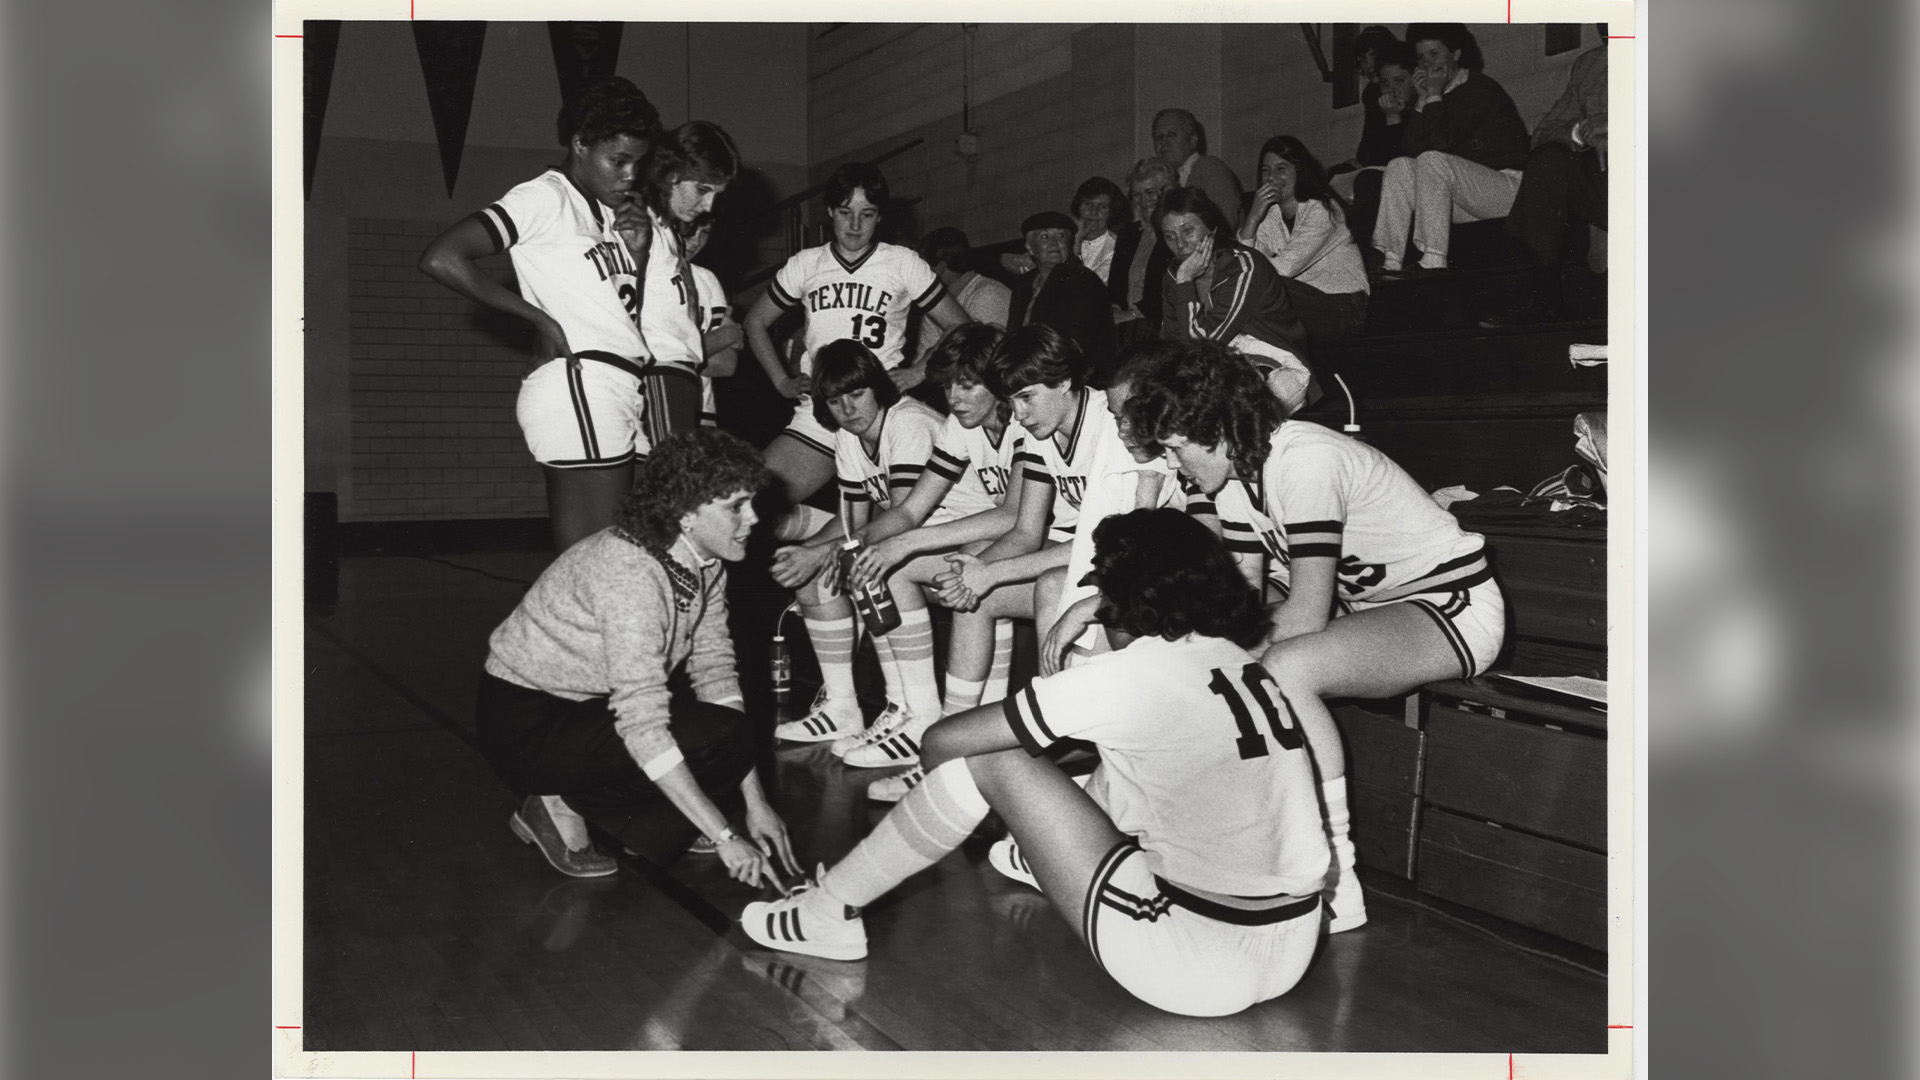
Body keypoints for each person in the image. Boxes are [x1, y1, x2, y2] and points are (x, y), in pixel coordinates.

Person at [742, 508, 1329, 1019]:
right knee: (1109, 766)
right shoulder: (1235, 660)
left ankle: (827, 912)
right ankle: (1035, 852)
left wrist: (1025, 791)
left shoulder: (1126, 677)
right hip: (1295, 945)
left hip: (1192, 962)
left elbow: (943, 744)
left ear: (1118, 598)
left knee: (991, 765)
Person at [1116, 341, 1508, 932]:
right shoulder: (1235, 476)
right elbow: (1240, 603)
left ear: (1217, 429)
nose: (1175, 467)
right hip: (1372, 612)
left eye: (1176, 448)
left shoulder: (1303, 458)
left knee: (1287, 667)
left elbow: (1305, 614)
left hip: (1453, 607)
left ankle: (1337, 879)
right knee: (1203, 651)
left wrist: (1220, 668)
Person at [473, 428, 800, 886]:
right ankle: (558, 801)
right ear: (686, 514)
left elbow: (715, 672)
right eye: (735, 507)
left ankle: (655, 813)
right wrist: (726, 835)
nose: (752, 519)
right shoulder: (629, 574)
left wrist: (756, 805)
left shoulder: (705, 563)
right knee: (710, 736)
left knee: (731, 726)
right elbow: (641, 721)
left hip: (590, 709)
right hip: (530, 722)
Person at [417, 76, 661, 552]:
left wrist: (640, 256)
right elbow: (442, 257)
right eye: (619, 161)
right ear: (580, 145)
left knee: (617, 554)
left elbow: (622, 315)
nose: (631, 175)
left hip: (619, 385)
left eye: (638, 163)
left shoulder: (612, 217)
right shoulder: (544, 197)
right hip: (582, 380)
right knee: (602, 558)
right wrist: (537, 318)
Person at [821, 325, 1034, 782]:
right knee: (886, 562)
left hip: (1045, 550)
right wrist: (858, 546)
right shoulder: (961, 426)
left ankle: (960, 742)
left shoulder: (1025, 422)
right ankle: (918, 717)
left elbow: (1013, 518)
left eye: (966, 384)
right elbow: (912, 509)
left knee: (970, 559)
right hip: (1005, 547)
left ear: (998, 381)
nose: (953, 397)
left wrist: (908, 540)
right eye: (947, 385)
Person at [744, 162, 975, 510]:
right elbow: (755, 322)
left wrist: (919, 372)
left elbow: (960, 325)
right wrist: (780, 381)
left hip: (880, 408)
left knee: (897, 519)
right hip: (824, 408)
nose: (854, 225)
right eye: (845, 212)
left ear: (880, 217)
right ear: (829, 213)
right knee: (750, 503)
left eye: (866, 214)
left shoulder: (902, 262)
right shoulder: (806, 264)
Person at [767, 340, 952, 751]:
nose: (848, 409)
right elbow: (853, 521)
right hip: (913, 542)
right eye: (835, 401)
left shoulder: (907, 423)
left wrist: (824, 550)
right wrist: (811, 555)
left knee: (869, 564)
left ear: (878, 387)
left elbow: (904, 519)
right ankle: (843, 708)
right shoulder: (849, 436)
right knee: (817, 571)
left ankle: (907, 708)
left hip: (954, 538)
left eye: (857, 394)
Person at [1371, 23, 1530, 273]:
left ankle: (1434, 257)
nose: (1426, 64)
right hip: (1466, 194)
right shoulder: (1434, 95)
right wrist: (1422, 101)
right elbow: (1410, 152)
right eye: (1421, 57)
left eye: (1434, 54)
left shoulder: (1480, 89)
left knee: (1432, 160)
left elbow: (1441, 145)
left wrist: (1432, 95)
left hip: (1508, 190)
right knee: (1399, 166)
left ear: (1455, 54)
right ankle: (1391, 259)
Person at [1482, 34, 1609, 327]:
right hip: (1611, 190)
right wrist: (1582, 130)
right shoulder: (1592, 64)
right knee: (1548, 160)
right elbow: (1543, 133)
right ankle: (1545, 299)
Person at [626, 121, 741, 444]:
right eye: (702, 190)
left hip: (681, 374)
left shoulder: (668, 235)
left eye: (715, 195)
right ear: (672, 173)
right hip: (657, 370)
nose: (708, 206)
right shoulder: (637, 222)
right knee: (672, 488)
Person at [1156, 186, 1314, 414]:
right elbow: (1173, 341)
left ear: (1212, 228)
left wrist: (1185, 282)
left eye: (1188, 231)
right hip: (1214, 362)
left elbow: (1206, 343)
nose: (1180, 245)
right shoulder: (1174, 275)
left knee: (1232, 404)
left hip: (1277, 363)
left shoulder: (1244, 266)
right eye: (1170, 236)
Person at [1239, 136, 1371, 343]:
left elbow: (1282, 270)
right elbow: (1242, 263)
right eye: (1265, 170)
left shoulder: (1323, 210)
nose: (1271, 178)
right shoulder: (1270, 214)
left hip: (1344, 308)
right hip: (1304, 305)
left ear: (1299, 172)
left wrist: (1251, 267)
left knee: (1264, 285)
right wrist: (1252, 218)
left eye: (1281, 168)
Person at [1007, 211, 1119, 388]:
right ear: (1029, 247)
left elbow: (1078, 344)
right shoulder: (1023, 288)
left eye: (1061, 235)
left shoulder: (1082, 281)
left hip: (1070, 381)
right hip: (1028, 377)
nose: (1054, 242)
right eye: (1045, 236)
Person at [1329, 28, 1410, 259]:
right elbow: (1370, 138)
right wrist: (1358, 161)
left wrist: (1393, 117)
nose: (1367, 65)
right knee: (1335, 174)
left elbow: (1402, 148)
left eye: (1371, 56)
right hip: (1378, 160)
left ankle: (1368, 255)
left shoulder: (1407, 91)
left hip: (1398, 163)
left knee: (1368, 181)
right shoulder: (1373, 93)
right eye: (1362, 59)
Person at [1108, 158, 1177, 349]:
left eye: (1149, 193)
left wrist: (1131, 314)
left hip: (1160, 322)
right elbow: (1114, 286)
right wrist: (1113, 309)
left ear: (1167, 192)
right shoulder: (1128, 234)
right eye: (1136, 194)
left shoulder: (1175, 232)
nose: (1142, 201)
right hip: (1126, 324)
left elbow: (1171, 288)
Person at [682, 215, 738, 428]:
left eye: (704, 232)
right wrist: (727, 335)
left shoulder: (707, 279)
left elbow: (725, 364)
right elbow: (654, 361)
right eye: (689, 230)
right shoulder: (643, 276)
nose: (696, 241)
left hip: (703, 414)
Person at [1151, 108, 1245, 232]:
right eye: (1159, 137)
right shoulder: (1160, 181)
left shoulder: (1209, 167)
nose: (1163, 142)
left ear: (1193, 140)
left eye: (1172, 134)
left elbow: (1225, 223)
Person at [917, 227, 1012, 328]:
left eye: (923, 265)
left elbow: (984, 342)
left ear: (940, 266)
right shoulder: (940, 298)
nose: (919, 271)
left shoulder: (987, 295)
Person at [1070, 176, 1127, 285]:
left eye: (1102, 207)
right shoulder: (1064, 238)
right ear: (1078, 207)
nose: (1093, 212)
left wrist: (1076, 245)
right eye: (1088, 204)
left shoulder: (1115, 250)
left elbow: (1084, 289)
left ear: (1111, 213)